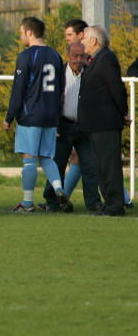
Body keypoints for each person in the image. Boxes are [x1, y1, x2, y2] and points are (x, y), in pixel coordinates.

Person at [3, 16, 68, 213]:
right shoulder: (56, 55)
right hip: (50, 116)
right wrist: (57, 118)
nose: (21, 36)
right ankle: (58, 188)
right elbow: (61, 88)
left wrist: (9, 117)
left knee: (29, 158)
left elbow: (19, 89)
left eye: (22, 32)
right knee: (46, 157)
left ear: (30, 32)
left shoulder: (26, 56)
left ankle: (27, 203)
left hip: (30, 115)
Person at [78, 25, 130, 216]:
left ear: (94, 40)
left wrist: (123, 112)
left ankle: (116, 204)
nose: (81, 41)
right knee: (101, 166)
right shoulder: (94, 60)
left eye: (84, 38)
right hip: (96, 123)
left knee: (109, 165)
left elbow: (116, 88)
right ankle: (108, 203)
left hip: (106, 122)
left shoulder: (106, 58)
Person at [42, 42, 100, 212]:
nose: (78, 59)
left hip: (85, 127)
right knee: (57, 165)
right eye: (75, 56)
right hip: (63, 127)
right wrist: (53, 125)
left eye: (82, 56)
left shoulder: (90, 73)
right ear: (67, 56)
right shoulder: (59, 73)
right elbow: (50, 100)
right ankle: (52, 202)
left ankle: (94, 203)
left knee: (90, 167)